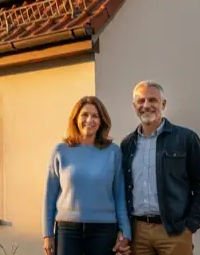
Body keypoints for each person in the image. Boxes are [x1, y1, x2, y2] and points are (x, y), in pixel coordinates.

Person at [121, 81, 200, 255]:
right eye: (140, 101)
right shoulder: (127, 144)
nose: (146, 105)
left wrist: (190, 226)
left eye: (152, 100)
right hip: (138, 233)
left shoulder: (186, 138)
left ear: (163, 104)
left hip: (174, 232)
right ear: (134, 106)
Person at [42, 96, 132, 255]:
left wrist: (126, 231)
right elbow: (49, 196)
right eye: (84, 114)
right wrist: (47, 234)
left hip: (104, 231)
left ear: (101, 121)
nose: (89, 120)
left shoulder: (113, 152)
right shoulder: (60, 151)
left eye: (95, 116)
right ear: (75, 118)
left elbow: (119, 195)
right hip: (67, 230)